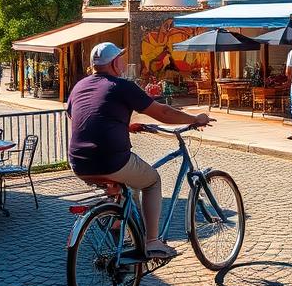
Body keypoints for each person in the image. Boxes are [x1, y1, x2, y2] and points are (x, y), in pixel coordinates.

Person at [67, 42, 212, 258]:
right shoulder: (122, 86)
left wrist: (123, 125)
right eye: (121, 58)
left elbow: (85, 117)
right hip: (111, 160)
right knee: (152, 180)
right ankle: (153, 241)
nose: (124, 62)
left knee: (129, 187)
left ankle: (119, 226)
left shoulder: (79, 86)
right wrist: (195, 119)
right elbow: (162, 113)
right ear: (115, 63)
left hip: (78, 162)